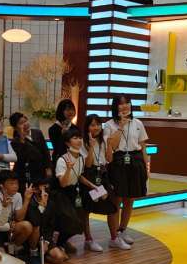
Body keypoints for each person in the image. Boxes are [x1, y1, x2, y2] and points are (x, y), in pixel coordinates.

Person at [104, 94, 149, 250]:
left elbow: (143, 147)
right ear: (115, 107)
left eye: (127, 103)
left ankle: (122, 230)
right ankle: (114, 237)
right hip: (118, 162)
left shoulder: (138, 123)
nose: (124, 106)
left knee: (130, 200)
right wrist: (121, 126)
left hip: (135, 161)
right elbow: (113, 147)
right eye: (121, 104)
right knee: (116, 201)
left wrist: (146, 168)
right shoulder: (109, 125)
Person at [55, 126, 106, 254]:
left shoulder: (81, 157)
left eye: (79, 137)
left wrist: (94, 186)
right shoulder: (62, 160)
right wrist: (68, 169)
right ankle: (59, 244)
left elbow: (79, 176)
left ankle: (62, 243)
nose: (79, 140)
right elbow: (63, 183)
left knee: (79, 222)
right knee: (70, 221)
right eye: (75, 138)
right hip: (63, 194)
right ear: (68, 143)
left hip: (75, 192)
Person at [0, 170, 42, 264]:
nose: (15, 186)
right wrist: (6, 226)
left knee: (27, 226)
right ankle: (6, 251)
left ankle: (12, 248)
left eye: (16, 183)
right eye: (11, 183)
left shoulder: (17, 196)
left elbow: (19, 217)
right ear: (2, 186)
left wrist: (27, 199)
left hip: (10, 230)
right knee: (1, 261)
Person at [81, 114, 117, 251]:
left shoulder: (104, 140)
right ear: (87, 127)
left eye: (98, 124)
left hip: (102, 174)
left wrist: (109, 145)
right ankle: (88, 239)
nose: (96, 127)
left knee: (112, 205)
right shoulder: (83, 141)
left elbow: (109, 159)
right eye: (92, 125)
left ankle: (114, 238)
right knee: (86, 209)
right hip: (89, 175)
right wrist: (91, 147)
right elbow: (88, 164)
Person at [26, 178, 68, 264]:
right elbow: (35, 222)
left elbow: (51, 226)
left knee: (60, 258)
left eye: (47, 186)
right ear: (35, 189)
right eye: (43, 186)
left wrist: (46, 242)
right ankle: (34, 254)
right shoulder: (30, 203)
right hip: (32, 238)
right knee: (36, 228)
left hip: (45, 237)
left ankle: (42, 257)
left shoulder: (51, 203)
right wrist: (42, 206)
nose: (46, 188)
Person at [9, 112, 51, 192]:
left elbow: (45, 152)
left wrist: (48, 167)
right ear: (15, 128)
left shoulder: (37, 132)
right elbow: (22, 159)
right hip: (26, 174)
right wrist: (22, 139)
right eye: (21, 123)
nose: (25, 124)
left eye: (25, 121)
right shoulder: (15, 141)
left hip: (40, 170)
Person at [48, 99, 76, 167]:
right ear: (61, 111)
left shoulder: (75, 128)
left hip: (74, 160)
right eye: (67, 110)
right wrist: (63, 135)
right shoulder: (53, 129)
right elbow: (57, 148)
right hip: (60, 161)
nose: (71, 112)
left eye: (72, 109)